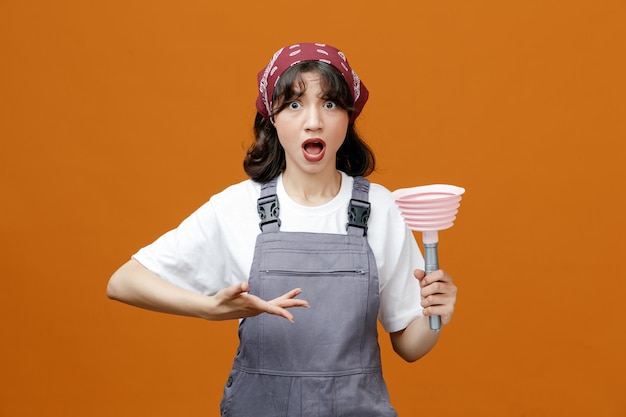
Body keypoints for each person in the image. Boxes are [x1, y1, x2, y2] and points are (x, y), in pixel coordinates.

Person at [107, 42, 457, 416]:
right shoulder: (237, 207)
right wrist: (209, 308)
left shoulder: (381, 209)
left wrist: (435, 316)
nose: (313, 121)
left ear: (348, 117)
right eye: (294, 104)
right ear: (271, 117)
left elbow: (409, 347)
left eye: (330, 104)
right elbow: (123, 282)